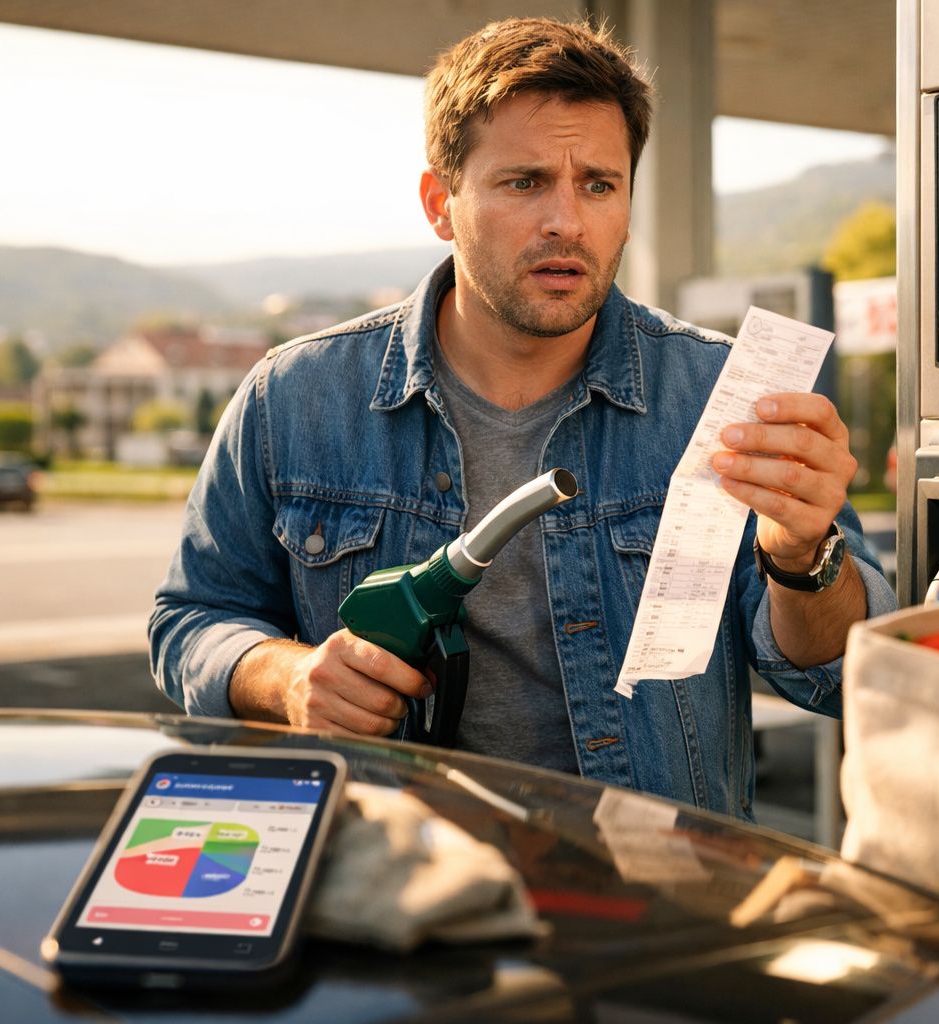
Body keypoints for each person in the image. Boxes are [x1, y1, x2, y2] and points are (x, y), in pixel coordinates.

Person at [150, 16, 897, 818]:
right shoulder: (293, 397)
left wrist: (802, 553)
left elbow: (829, 677)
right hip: (387, 885)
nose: (567, 222)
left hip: (655, 900)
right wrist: (289, 678)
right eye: (526, 181)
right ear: (442, 201)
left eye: (599, 185)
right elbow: (191, 620)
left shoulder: (719, 398)